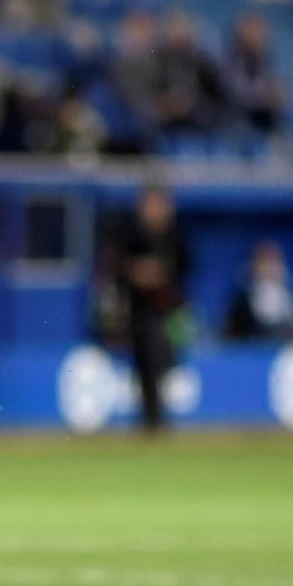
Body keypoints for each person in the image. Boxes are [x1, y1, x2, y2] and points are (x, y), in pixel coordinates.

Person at [100, 183, 190, 431]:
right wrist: (136, 273)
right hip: (138, 312)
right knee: (144, 363)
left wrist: (160, 272)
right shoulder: (131, 235)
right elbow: (117, 268)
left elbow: (186, 268)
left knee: (162, 359)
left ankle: (157, 419)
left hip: (170, 312)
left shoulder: (175, 236)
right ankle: (151, 421)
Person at [224, 241, 293, 341]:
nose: (268, 268)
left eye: (272, 262)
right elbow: (231, 334)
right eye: (263, 263)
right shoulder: (241, 299)